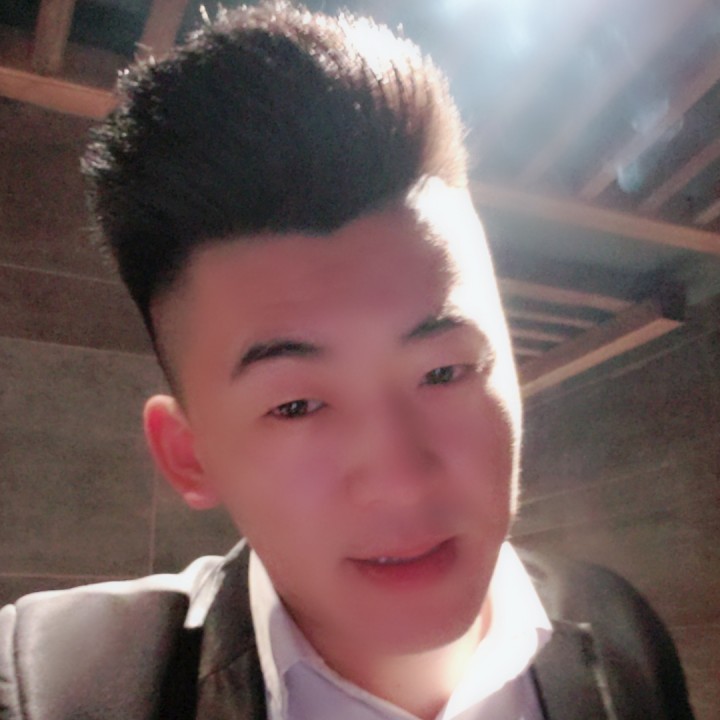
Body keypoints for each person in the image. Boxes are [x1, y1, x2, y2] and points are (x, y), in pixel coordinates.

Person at [0, 2, 694, 719]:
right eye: (296, 405)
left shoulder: (618, 632)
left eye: (443, 372)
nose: (401, 481)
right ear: (190, 455)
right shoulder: (49, 688)